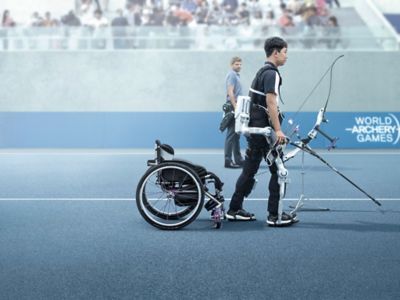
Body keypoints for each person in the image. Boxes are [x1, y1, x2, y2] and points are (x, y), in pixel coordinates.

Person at [226, 36, 298, 227]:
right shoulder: (271, 74)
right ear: (275, 52)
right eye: (285, 52)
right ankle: (275, 215)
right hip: (264, 132)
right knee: (279, 171)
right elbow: (271, 102)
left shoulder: (262, 71)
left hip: (256, 130)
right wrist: (278, 130)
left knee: (249, 170)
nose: (286, 56)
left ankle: (234, 209)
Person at [224, 56, 244, 168]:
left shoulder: (236, 76)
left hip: (237, 105)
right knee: (231, 134)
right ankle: (227, 160)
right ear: (232, 65)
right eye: (237, 64)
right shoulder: (232, 75)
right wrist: (235, 106)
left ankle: (238, 159)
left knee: (236, 134)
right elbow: (230, 91)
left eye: (240, 64)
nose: (239, 66)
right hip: (233, 106)